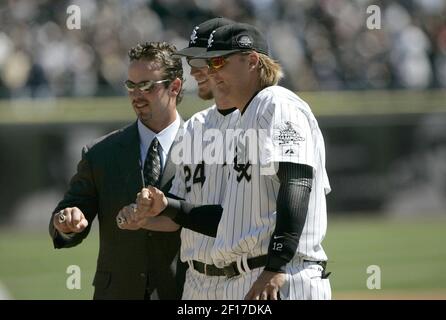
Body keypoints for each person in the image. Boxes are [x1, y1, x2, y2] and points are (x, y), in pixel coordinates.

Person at [187, 23, 332, 300]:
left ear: (252, 60)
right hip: (256, 275)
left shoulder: (276, 103)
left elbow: (297, 181)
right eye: (209, 64)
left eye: (218, 62)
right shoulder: (246, 116)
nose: (211, 72)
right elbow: (230, 218)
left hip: (284, 276)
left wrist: (276, 264)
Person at [49, 41, 186, 300]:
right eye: (131, 86)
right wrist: (66, 221)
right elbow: (71, 212)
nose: (136, 94)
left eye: (146, 86)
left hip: (186, 294)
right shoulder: (100, 153)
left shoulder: (204, 147)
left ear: (174, 87)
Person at [128, 17, 239, 300]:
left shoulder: (263, 118)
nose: (195, 70)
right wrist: (146, 215)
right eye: (192, 61)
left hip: (245, 274)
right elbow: (180, 216)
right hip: (198, 283)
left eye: (203, 60)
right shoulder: (195, 126)